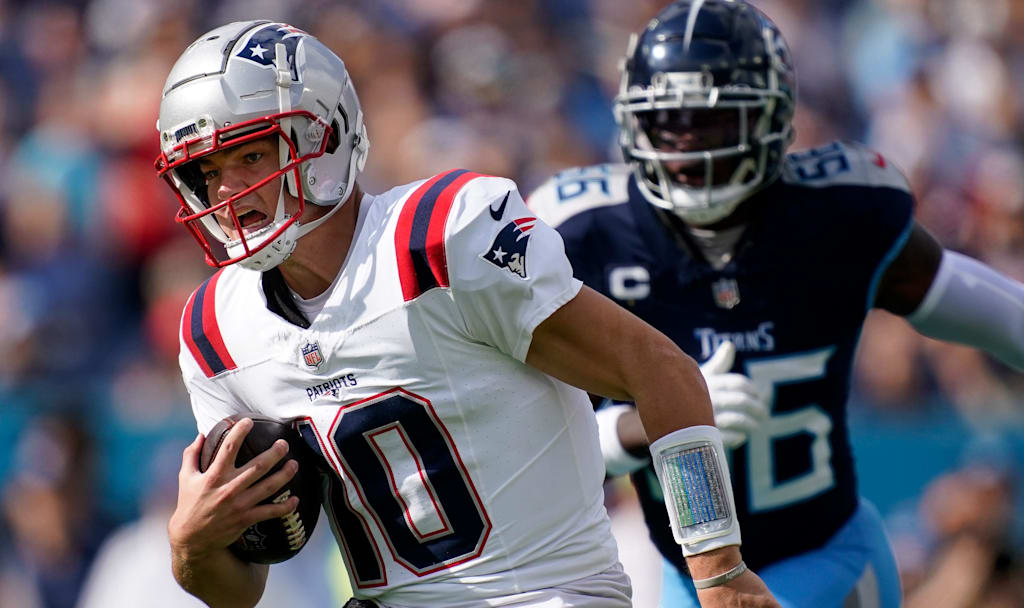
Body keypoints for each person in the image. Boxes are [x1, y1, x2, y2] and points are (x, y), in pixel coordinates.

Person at [153, 21, 779, 608]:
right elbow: (237, 592)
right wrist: (192, 545)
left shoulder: (442, 240)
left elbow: (659, 370)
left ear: (325, 137)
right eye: (207, 172)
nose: (227, 192)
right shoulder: (216, 329)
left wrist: (718, 567)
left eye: (251, 157)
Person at [525, 1, 1024, 606]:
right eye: (667, 121)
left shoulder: (839, 214)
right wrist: (651, 422)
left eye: (711, 121)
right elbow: (529, 445)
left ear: (772, 117)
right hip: (690, 573)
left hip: (824, 560)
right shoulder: (584, 234)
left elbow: (1010, 319)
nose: (686, 145)